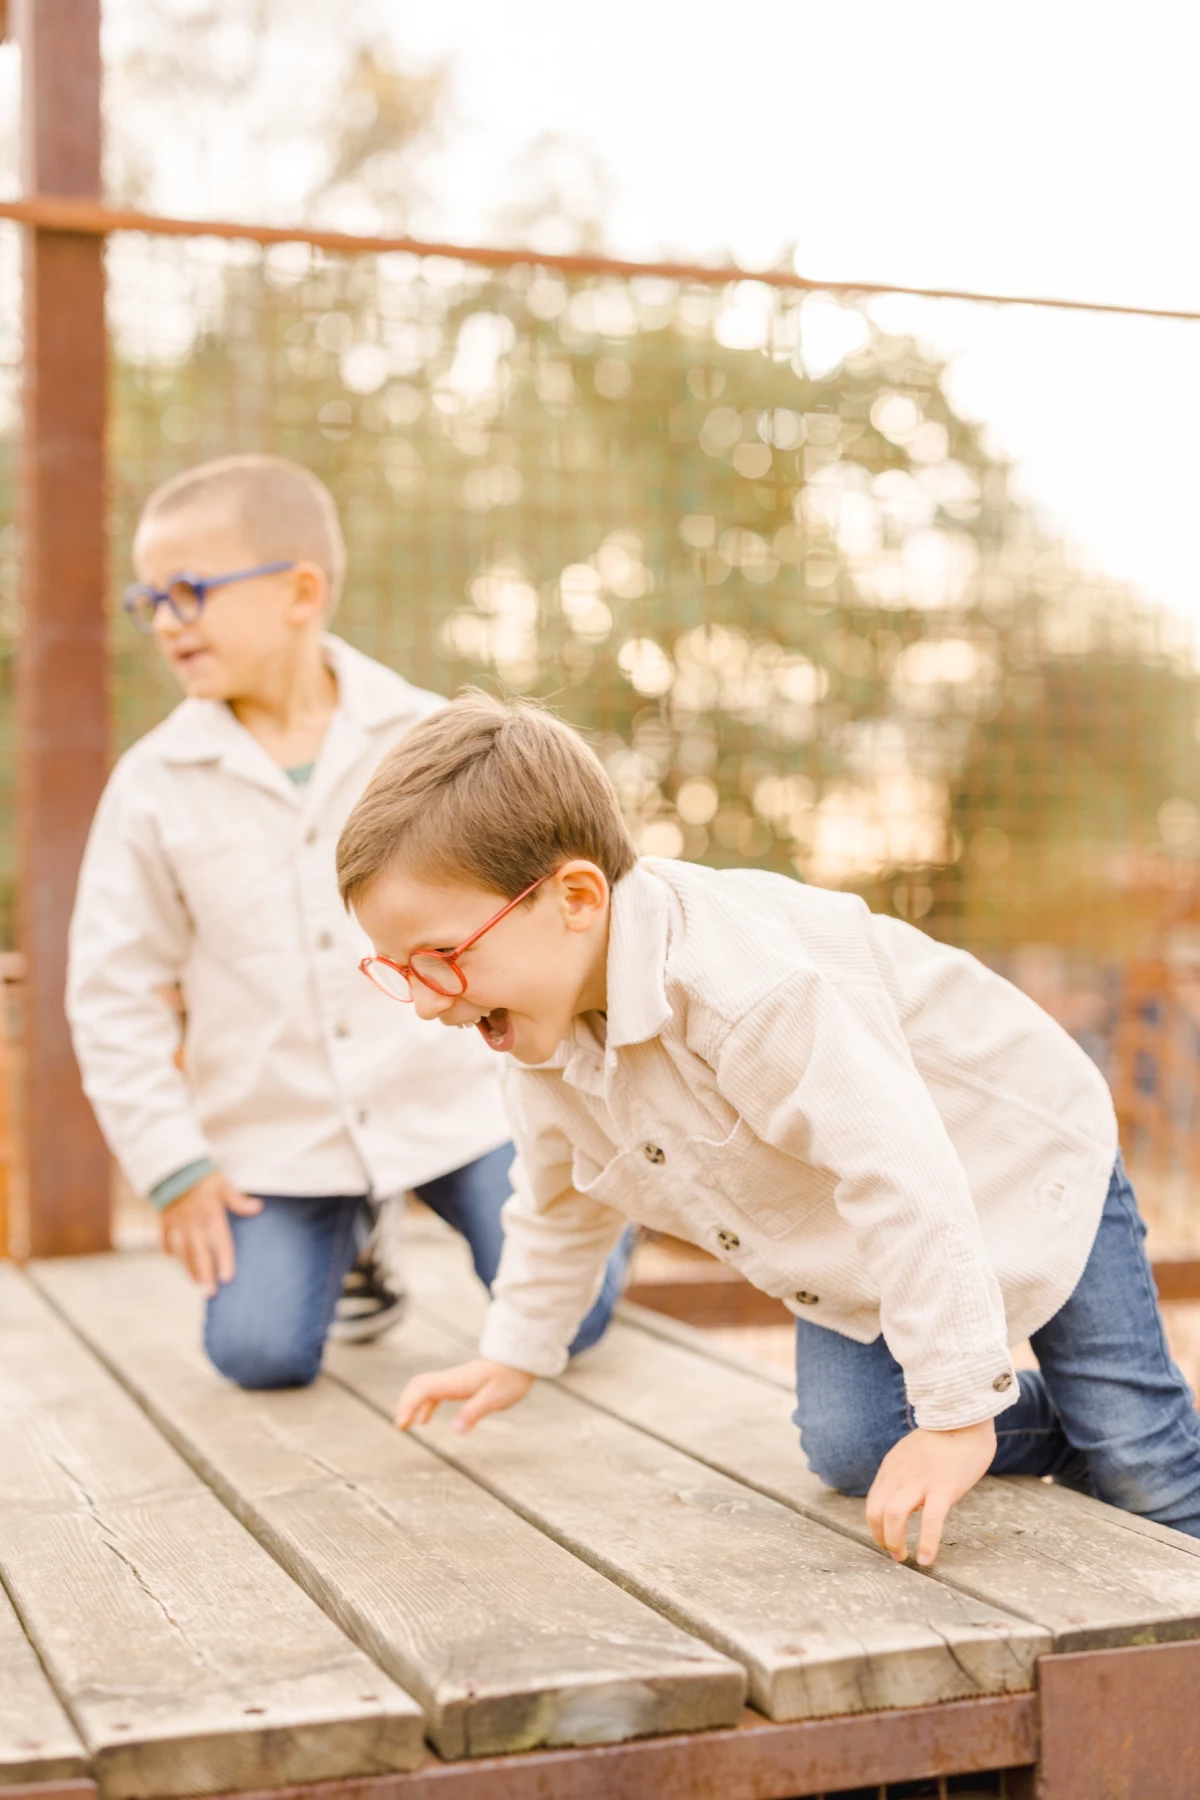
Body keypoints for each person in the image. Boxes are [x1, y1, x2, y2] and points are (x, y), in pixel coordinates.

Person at [334, 688, 1200, 1566]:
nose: (421, 1000)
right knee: (854, 1447)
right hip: (870, 1229)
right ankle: (1069, 1424)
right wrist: (513, 1354)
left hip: (1017, 1155)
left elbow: (900, 1168)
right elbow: (562, 1203)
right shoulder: (543, 1040)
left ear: (576, 898)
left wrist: (956, 1417)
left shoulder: (744, 992)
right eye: (397, 970)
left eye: (441, 958)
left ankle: (1136, 1446)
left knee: (1142, 1463)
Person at [66, 457, 628, 1389]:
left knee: (580, 1315)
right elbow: (111, 990)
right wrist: (175, 1167)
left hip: (455, 1107)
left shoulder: (424, 736)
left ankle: (588, 1211)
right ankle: (356, 1240)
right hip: (278, 1137)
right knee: (259, 1353)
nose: (166, 620)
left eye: (190, 591)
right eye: (149, 599)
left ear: (300, 591)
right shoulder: (152, 786)